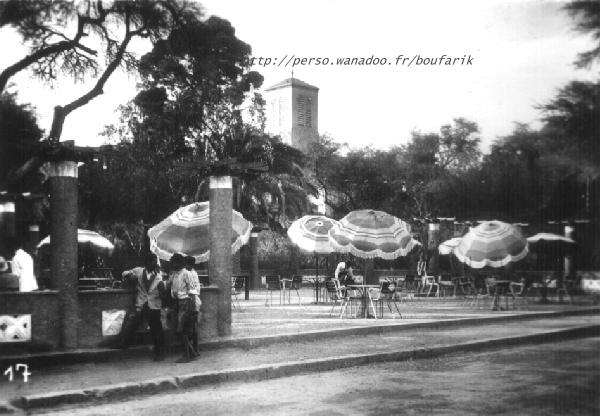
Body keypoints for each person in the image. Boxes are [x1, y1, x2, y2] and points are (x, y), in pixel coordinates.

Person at [118, 253, 166, 361]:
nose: (155, 264)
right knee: (132, 322)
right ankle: (123, 343)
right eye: (153, 262)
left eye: (155, 262)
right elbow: (124, 272)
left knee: (156, 329)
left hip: (154, 305)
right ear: (147, 263)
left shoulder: (159, 275)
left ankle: (160, 352)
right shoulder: (139, 271)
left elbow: (162, 292)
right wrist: (129, 275)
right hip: (141, 303)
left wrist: (162, 289)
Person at [170, 253, 201, 363]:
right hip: (177, 303)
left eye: (174, 263)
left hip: (185, 303)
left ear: (179, 263)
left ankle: (187, 355)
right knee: (178, 330)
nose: (172, 265)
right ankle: (191, 353)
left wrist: (192, 307)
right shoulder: (175, 274)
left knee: (182, 329)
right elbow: (169, 285)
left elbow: (192, 291)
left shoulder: (186, 273)